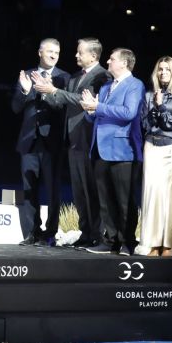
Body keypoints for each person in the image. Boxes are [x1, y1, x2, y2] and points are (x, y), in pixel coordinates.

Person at [35, 38, 110, 249]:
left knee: (91, 190)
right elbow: (60, 102)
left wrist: (55, 91)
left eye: (80, 52)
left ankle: (98, 234)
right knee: (79, 191)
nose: (76, 56)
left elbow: (85, 100)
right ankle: (85, 233)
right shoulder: (76, 76)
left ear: (93, 56)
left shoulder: (102, 76)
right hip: (73, 141)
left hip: (88, 140)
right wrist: (44, 91)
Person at [80, 48, 145, 256]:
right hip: (100, 148)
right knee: (105, 200)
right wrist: (89, 110)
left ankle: (128, 242)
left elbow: (129, 113)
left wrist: (97, 107)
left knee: (124, 200)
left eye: (112, 58)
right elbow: (97, 117)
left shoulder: (135, 85)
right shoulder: (107, 86)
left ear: (124, 63)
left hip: (123, 151)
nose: (108, 61)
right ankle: (110, 241)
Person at [10, 38, 69, 246]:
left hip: (52, 142)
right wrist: (26, 91)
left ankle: (50, 233)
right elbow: (16, 107)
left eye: (57, 52)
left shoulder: (64, 77)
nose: (53, 55)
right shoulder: (25, 75)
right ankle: (32, 233)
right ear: (39, 52)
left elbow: (64, 108)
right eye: (50, 51)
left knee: (53, 190)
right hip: (28, 141)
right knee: (29, 190)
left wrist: (48, 92)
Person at [140, 56, 172, 257]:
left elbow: (171, 124)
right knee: (151, 195)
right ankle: (152, 244)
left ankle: (167, 244)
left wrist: (159, 107)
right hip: (151, 146)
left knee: (168, 196)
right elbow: (145, 124)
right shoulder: (149, 95)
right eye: (160, 69)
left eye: (167, 69)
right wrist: (154, 110)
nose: (163, 73)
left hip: (170, 149)